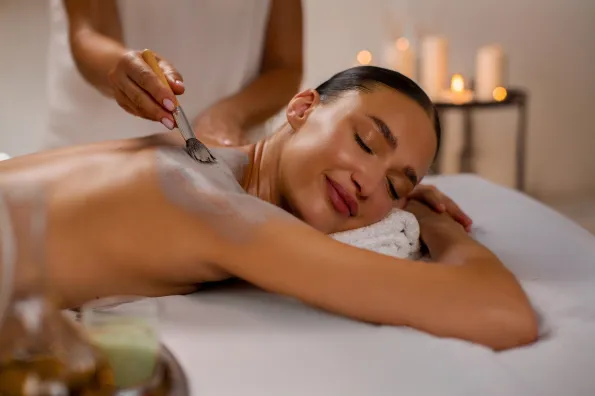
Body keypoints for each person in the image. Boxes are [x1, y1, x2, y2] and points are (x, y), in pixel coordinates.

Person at [1, 66, 538, 351]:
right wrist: (436, 222)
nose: (370, 182)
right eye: (368, 143)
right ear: (303, 107)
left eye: (398, 189)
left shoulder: (212, 158)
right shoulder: (218, 211)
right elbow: (504, 315)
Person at [44, 0, 303, 148]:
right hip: (98, 144)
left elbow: (285, 67)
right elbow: (88, 33)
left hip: (220, 153)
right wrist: (121, 67)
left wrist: (228, 116)